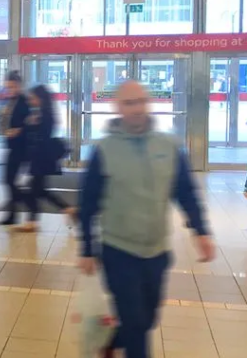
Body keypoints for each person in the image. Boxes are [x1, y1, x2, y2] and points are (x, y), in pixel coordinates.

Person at [77, 80, 215, 358]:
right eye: (129, 103)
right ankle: (124, 343)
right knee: (137, 325)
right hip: (118, 251)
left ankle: (112, 344)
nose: (137, 109)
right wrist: (87, 249)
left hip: (156, 252)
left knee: (147, 318)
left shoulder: (169, 145)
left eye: (141, 101)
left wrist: (200, 231)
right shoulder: (104, 150)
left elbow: (185, 191)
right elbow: (88, 202)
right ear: (117, 108)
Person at [13, 85, 73, 232]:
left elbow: (42, 135)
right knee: (38, 190)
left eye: (33, 98)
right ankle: (64, 210)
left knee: (35, 190)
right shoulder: (44, 113)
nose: (31, 101)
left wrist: (30, 124)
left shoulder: (45, 115)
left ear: (40, 98)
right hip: (40, 158)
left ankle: (36, 220)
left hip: (42, 159)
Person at [0, 71, 30, 224]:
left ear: (18, 85)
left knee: (9, 180)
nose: (8, 90)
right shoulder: (11, 101)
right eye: (7, 87)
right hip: (13, 146)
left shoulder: (24, 102)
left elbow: (29, 124)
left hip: (21, 147)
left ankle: (28, 203)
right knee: (8, 180)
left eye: (11, 87)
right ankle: (14, 213)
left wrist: (18, 130)